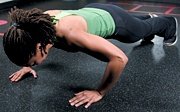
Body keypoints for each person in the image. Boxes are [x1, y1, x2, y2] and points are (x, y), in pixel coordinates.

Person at [3, 3, 178, 108]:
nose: (33, 64)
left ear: (40, 47)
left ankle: (168, 23)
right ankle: (144, 17)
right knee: (136, 24)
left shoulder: (71, 36)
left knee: (138, 33)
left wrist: (99, 92)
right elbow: (27, 42)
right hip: (93, 9)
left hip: (115, 22)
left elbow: (119, 58)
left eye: (33, 62)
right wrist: (26, 63)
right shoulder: (37, 27)